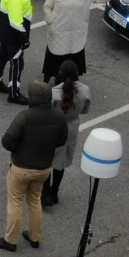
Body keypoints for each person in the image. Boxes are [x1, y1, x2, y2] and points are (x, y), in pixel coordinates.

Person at [0, 80, 67, 252]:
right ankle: (35, 237)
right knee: (34, 201)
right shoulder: (59, 116)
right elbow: (61, 141)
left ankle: (10, 240)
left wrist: (19, 149)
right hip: (44, 169)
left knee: (15, 203)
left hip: (21, 168)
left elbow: (7, 141)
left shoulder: (25, 116)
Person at [42, 0, 126, 79]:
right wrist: (50, 21)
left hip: (77, 32)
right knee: (54, 58)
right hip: (58, 31)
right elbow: (47, 7)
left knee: (74, 56)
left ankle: (71, 82)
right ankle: (46, 82)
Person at [43, 60, 91, 206]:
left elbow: (47, 111)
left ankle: (45, 192)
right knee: (61, 162)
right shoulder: (85, 90)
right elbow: (85, 110)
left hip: (53, 128)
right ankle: (54, 191)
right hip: (71, 127)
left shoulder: (53, 92)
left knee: (47, 160)